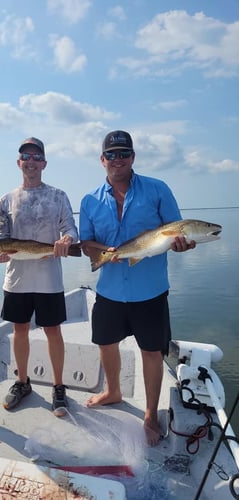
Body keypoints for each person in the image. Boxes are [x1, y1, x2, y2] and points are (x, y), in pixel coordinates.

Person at [79, 130, 196, 446]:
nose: (117, 160)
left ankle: (148, 412)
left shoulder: (158, 190)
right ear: (102, 159)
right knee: (105, 343)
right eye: (111, 155)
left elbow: (176, 232)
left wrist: (182, 245)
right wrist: (106, 252)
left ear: (132, 157)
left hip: (151, 290)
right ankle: (113, 391)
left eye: (123, 154)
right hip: (109, 289)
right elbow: (86, 242)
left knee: (152, 351)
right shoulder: (89, 200)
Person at [0, 137, 78, 417]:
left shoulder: (58, 195)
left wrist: (67, 238)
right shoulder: (6, 199)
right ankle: (22, 382)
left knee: (53, 331)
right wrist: (1, 252)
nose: (30, 161)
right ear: (19, 162)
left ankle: (58, 387)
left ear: (43, 163)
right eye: (25, 156)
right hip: (17, 278)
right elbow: (2, 236)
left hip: (49, 277)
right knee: (19, 330)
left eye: (36, 156)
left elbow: (70, 227)